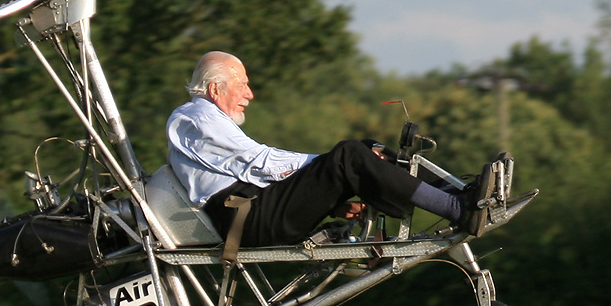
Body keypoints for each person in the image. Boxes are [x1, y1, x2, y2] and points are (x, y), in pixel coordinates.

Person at [166, 51, 496, 246]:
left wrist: (333, 200)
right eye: (242, 84)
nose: (249, 94)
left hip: (251, 209)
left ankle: (465, 195)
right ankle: (459, 208)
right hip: (245, 218)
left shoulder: (202, 117)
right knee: (350, 155)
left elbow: (254, 170)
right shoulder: (195, 118)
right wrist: (329, 165)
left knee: (365, 149)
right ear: (214, 88)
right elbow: (256, 162)